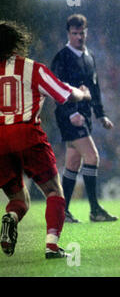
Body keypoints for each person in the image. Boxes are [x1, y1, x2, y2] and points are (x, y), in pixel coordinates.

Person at [0, 20, 91, 258]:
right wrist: (83, 93)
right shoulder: (32, 68)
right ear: (16, 42)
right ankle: (51, 245)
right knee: (53, 191)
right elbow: (65, 94)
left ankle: (10, 217)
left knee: (19, 199)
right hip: (28, 135)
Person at [51, 14, 117, 223]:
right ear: (68, 34)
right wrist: (71, 113)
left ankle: (63, 211)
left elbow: (94, 89)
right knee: (92, 157)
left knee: (73, 161)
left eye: (82, 33)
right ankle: (95, 210)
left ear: (86, 32)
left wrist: (101, 114)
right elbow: (56, 90)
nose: (79, 37)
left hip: (85, 116)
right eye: (75, 33)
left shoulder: (89, 56)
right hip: (70, 117)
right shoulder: (62, 58)